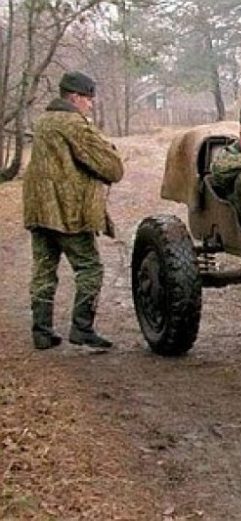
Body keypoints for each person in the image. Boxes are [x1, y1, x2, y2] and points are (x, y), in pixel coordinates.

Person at [23, 71, 124, 350]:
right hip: (68, 212)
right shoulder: (74, 124)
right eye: (88, 99)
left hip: (39, 211)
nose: (90, 104)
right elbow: (112, 168)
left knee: (44, 270)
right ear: (75, 97)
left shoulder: (43, 121)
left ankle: (42, 332)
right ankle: (82, 328)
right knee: (90, 268)